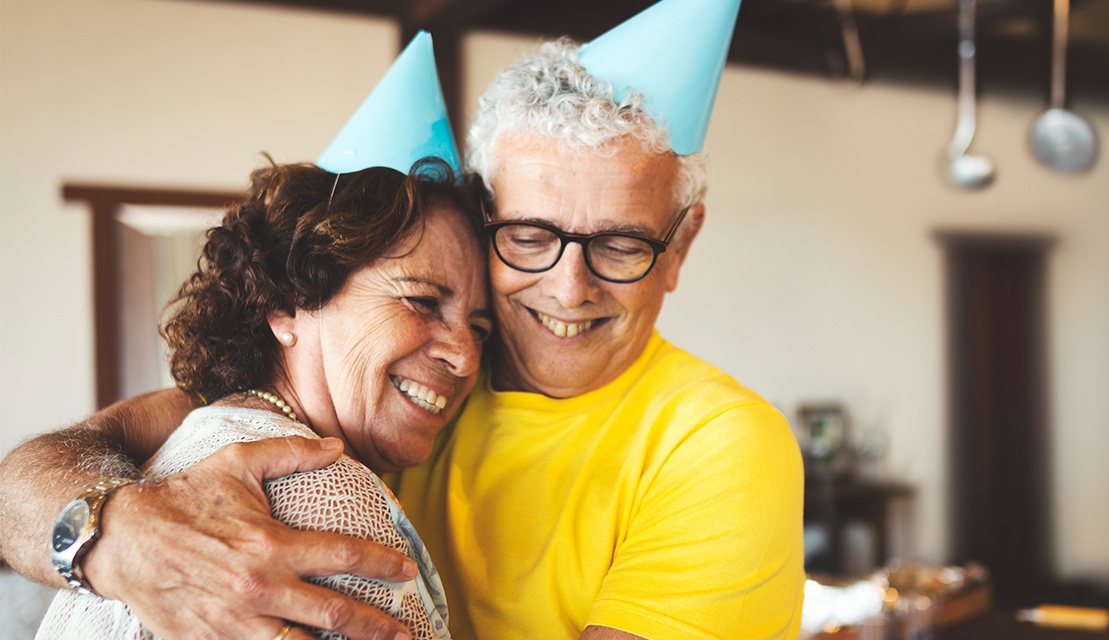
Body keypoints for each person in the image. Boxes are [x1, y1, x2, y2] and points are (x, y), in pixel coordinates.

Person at [0, 1, 805, 639]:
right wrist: (118, 536)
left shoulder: (717, 443)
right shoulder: (380, 394)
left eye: (621, 243)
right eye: (531, 237)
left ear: (679, 245)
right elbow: (25, 481)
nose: (568, 288)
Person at [35, 158, 490, 640]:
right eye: (422, 301)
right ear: (288, 304)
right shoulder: (326, 495)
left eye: (480, 330)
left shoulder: (189, 443)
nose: (466, 358)